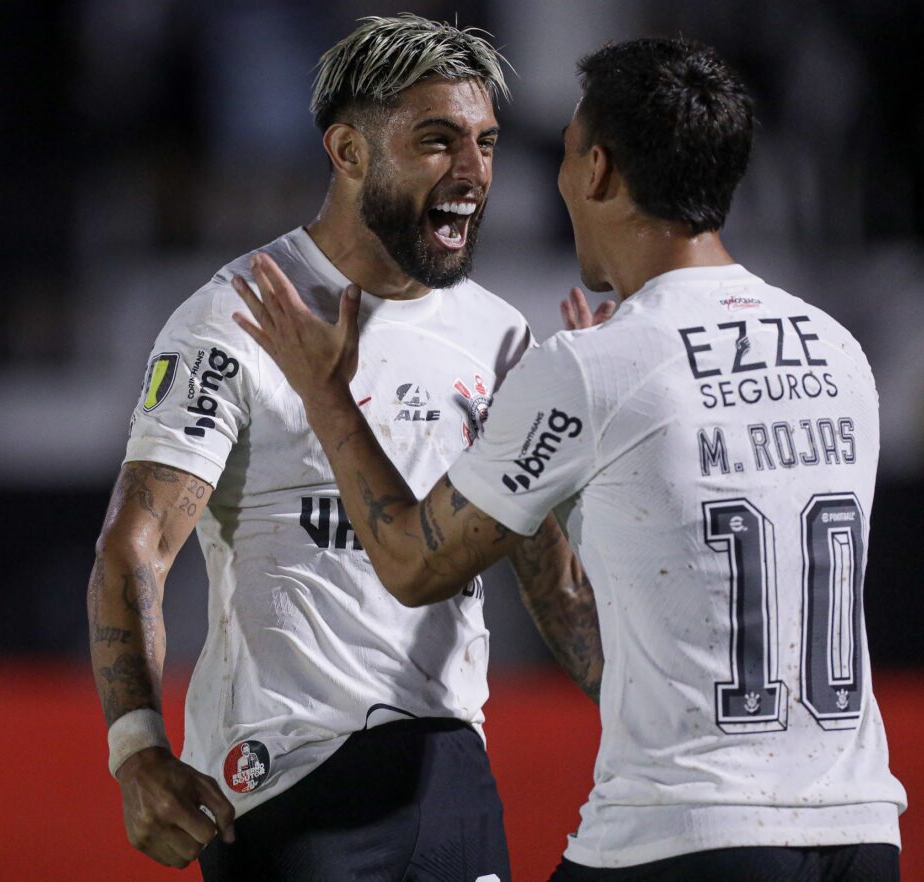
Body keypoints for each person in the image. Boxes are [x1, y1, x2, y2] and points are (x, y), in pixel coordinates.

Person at [233, 36, 907, 882]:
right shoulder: (838, 354)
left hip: (684, 835)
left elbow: (410, 560)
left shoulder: (595, 370)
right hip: (861, 828)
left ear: (597, 171)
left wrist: (327, 392)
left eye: (559, 155)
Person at [87, 14, 604, 881]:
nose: (474, 173)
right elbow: (135, 543)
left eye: (485, 143)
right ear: (349, 151)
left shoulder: (499, 337)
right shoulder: (239, 317)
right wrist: (137, 747)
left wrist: (646, 719)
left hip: (452, 772)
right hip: (290, 779)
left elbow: (550, 577)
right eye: (437, 141)